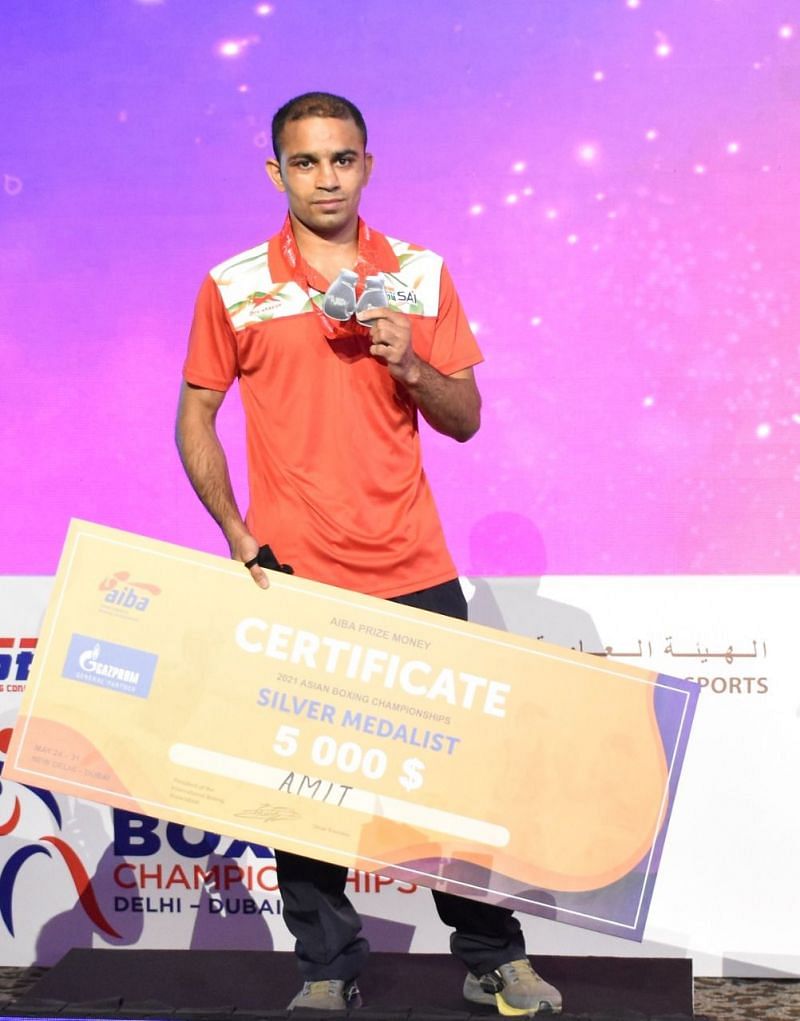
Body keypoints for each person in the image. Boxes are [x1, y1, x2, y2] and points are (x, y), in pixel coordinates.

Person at [176, 92, 562, 1017]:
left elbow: (465, 420)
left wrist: (412, 366)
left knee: (451, 785)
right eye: (305, 163)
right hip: (296, 574)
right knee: (301, 789)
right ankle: (325, 964)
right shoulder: (233, 284)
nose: (326, 178)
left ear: (368, 166)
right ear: (278, 173)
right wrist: (235, 528)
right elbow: (196, 411)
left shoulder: (420, 275)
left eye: (342, 160)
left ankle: (491, 954)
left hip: (415, 569)